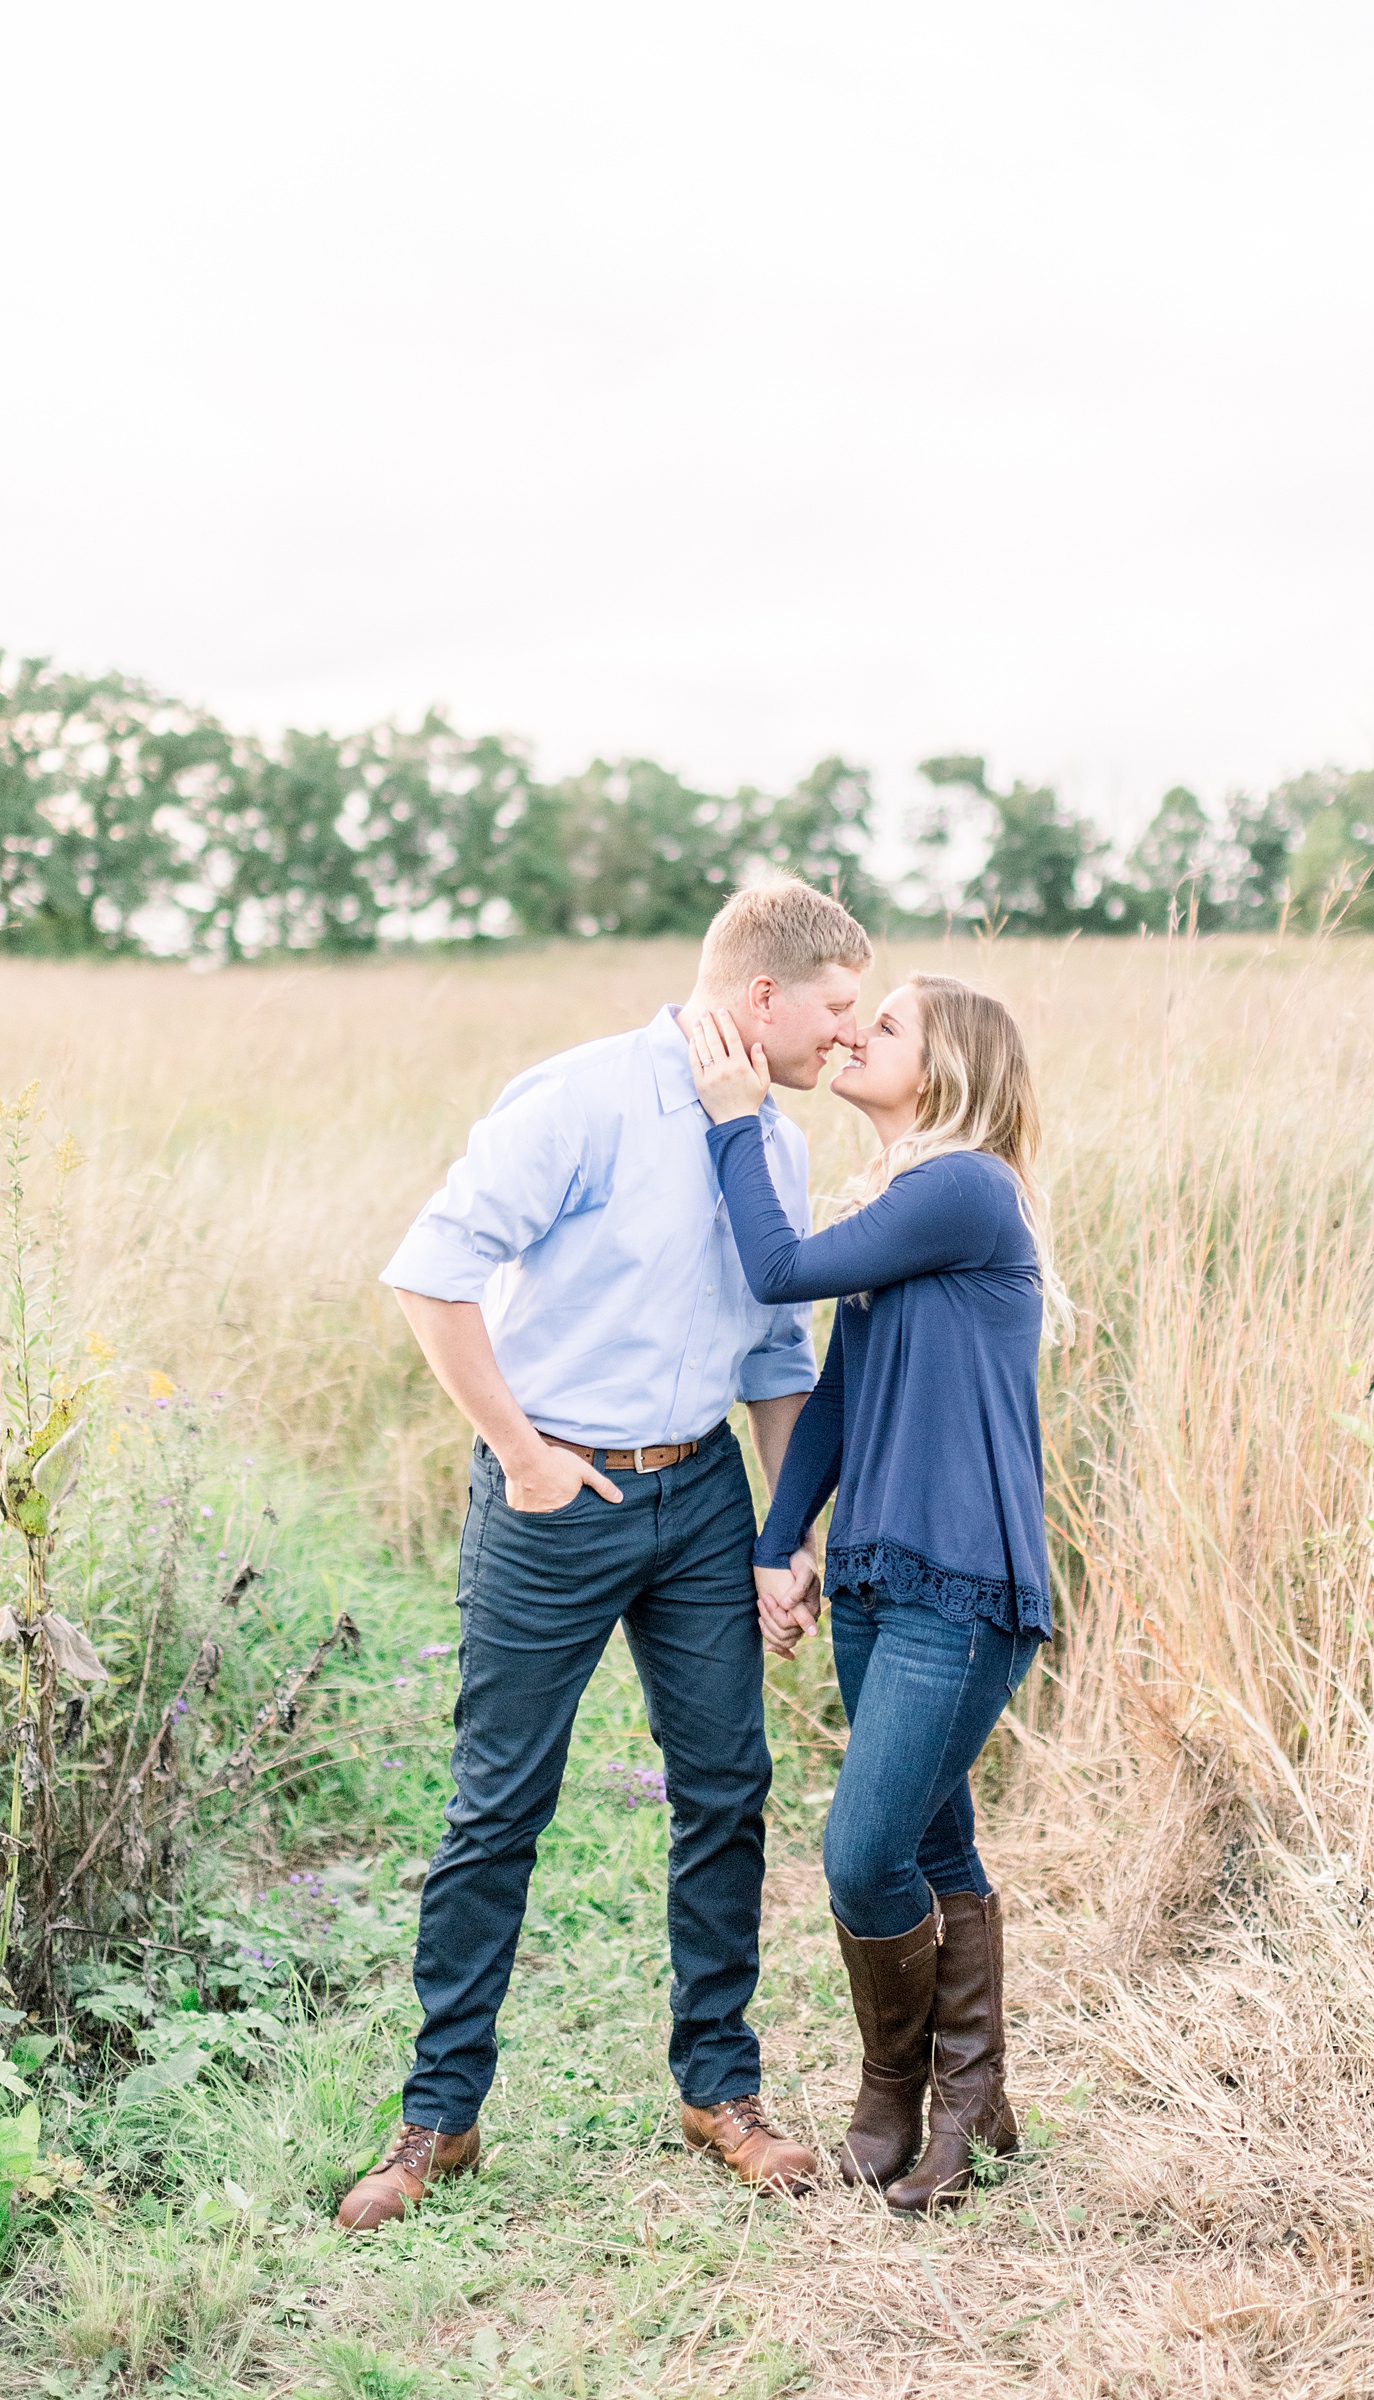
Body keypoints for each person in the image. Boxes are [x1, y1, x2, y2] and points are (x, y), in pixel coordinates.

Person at [336, 878, 873, 2232]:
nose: (847, 1037)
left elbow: (770, 1355)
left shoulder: (780, 1148)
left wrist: (780, 1535)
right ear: (764, 996)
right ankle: (437, 2120)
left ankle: (719, 2091)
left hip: (696, 1494)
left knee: (728, 1788)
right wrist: (523, 1454)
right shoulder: (577, 1098)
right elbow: (429, 1272)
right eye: (836, 1008)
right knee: (497, 1805)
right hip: (553, 1492)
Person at [687, 972, 1065, 2211]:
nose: (854, 1034)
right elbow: (838, 1395)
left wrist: (737, 1116)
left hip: (960, 1587)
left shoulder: (962, 1187)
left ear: (947, 1073)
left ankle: (908, 2096)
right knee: (930, 1840)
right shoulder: (909, 1203)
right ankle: (975, 2104)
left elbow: (778, 1267)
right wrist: (779, 1539)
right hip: (879, 1575)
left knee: (861, 1856)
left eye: (885, 1025)